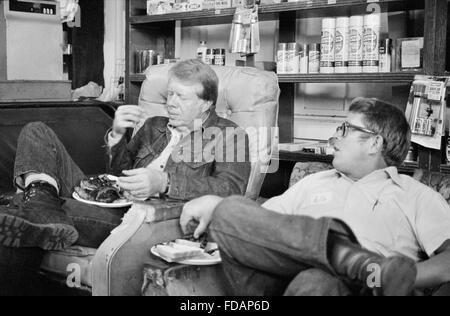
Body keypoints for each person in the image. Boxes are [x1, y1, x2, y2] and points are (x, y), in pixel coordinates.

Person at [180, 98, 450, 296]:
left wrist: (387, 276)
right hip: (282, 282)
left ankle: (363, 267)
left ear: (374, 143)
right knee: (228, 212)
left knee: (317, 282)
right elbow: (262, 226)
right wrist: (219, 207)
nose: (334, 138)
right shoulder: (313, 181)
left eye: (345, 129)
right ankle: (354, 261)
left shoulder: (415, 196)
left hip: (366, 289)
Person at [0, 59, 250, 254]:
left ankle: (35, 205)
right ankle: (39, 203)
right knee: (36, 131)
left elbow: (232, 189)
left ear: (206, 103)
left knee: (25, 206)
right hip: (113, 200)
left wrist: (164, 182)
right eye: (170, 94)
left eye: (181, 97)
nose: (171, 103)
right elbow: (120, 172)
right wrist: (118, 134)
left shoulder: (231, 135)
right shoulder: (154, 125)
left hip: (147, 220)